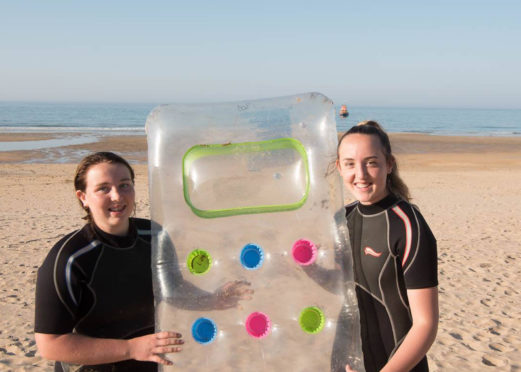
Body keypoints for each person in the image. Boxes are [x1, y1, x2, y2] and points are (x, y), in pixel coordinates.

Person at [34, 152, 252, 371]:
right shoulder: (70, 258)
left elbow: (171, 289)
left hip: (148, 363)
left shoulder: (155, 235)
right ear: (83, 197)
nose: (117, 196)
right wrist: (131, 348)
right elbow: (50, 344)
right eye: (103, 188)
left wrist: (212, 300)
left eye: (124, 185)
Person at [336, 121, 439, 372]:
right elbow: (341, 284)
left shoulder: (408, 225)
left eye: (371, 162)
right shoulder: (341, 219)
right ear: (339, 167)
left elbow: (426, 324)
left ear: (389, 164)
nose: (360, 174)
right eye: (350, 164)